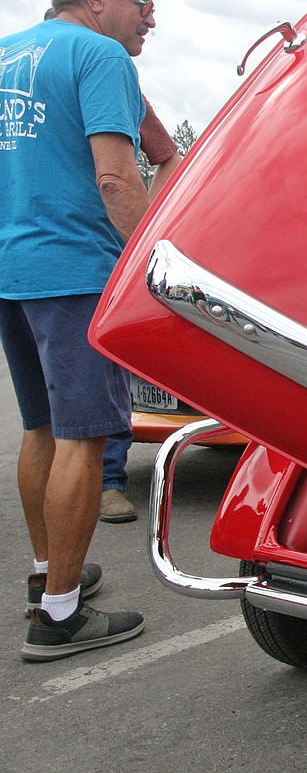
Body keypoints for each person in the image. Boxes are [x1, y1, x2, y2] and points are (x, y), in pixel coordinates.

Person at [0, 0, 166, 661]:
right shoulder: (101, 59)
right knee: (83, 438)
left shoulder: (10, 54)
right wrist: (149, 268)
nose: (149, 20)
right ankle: (60, 617)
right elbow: (117, 179)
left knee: (39, 429)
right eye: (141, 4)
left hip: (13, 267)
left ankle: (48, 578)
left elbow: (159, 146)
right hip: (74, 269)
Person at [98, 97, 179, 525]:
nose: (149, 23)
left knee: (107, 370)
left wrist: (143, 232)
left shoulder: (114, 76)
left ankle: (108, 480)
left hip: (101, 258)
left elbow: (166, 156)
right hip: (30, 254)